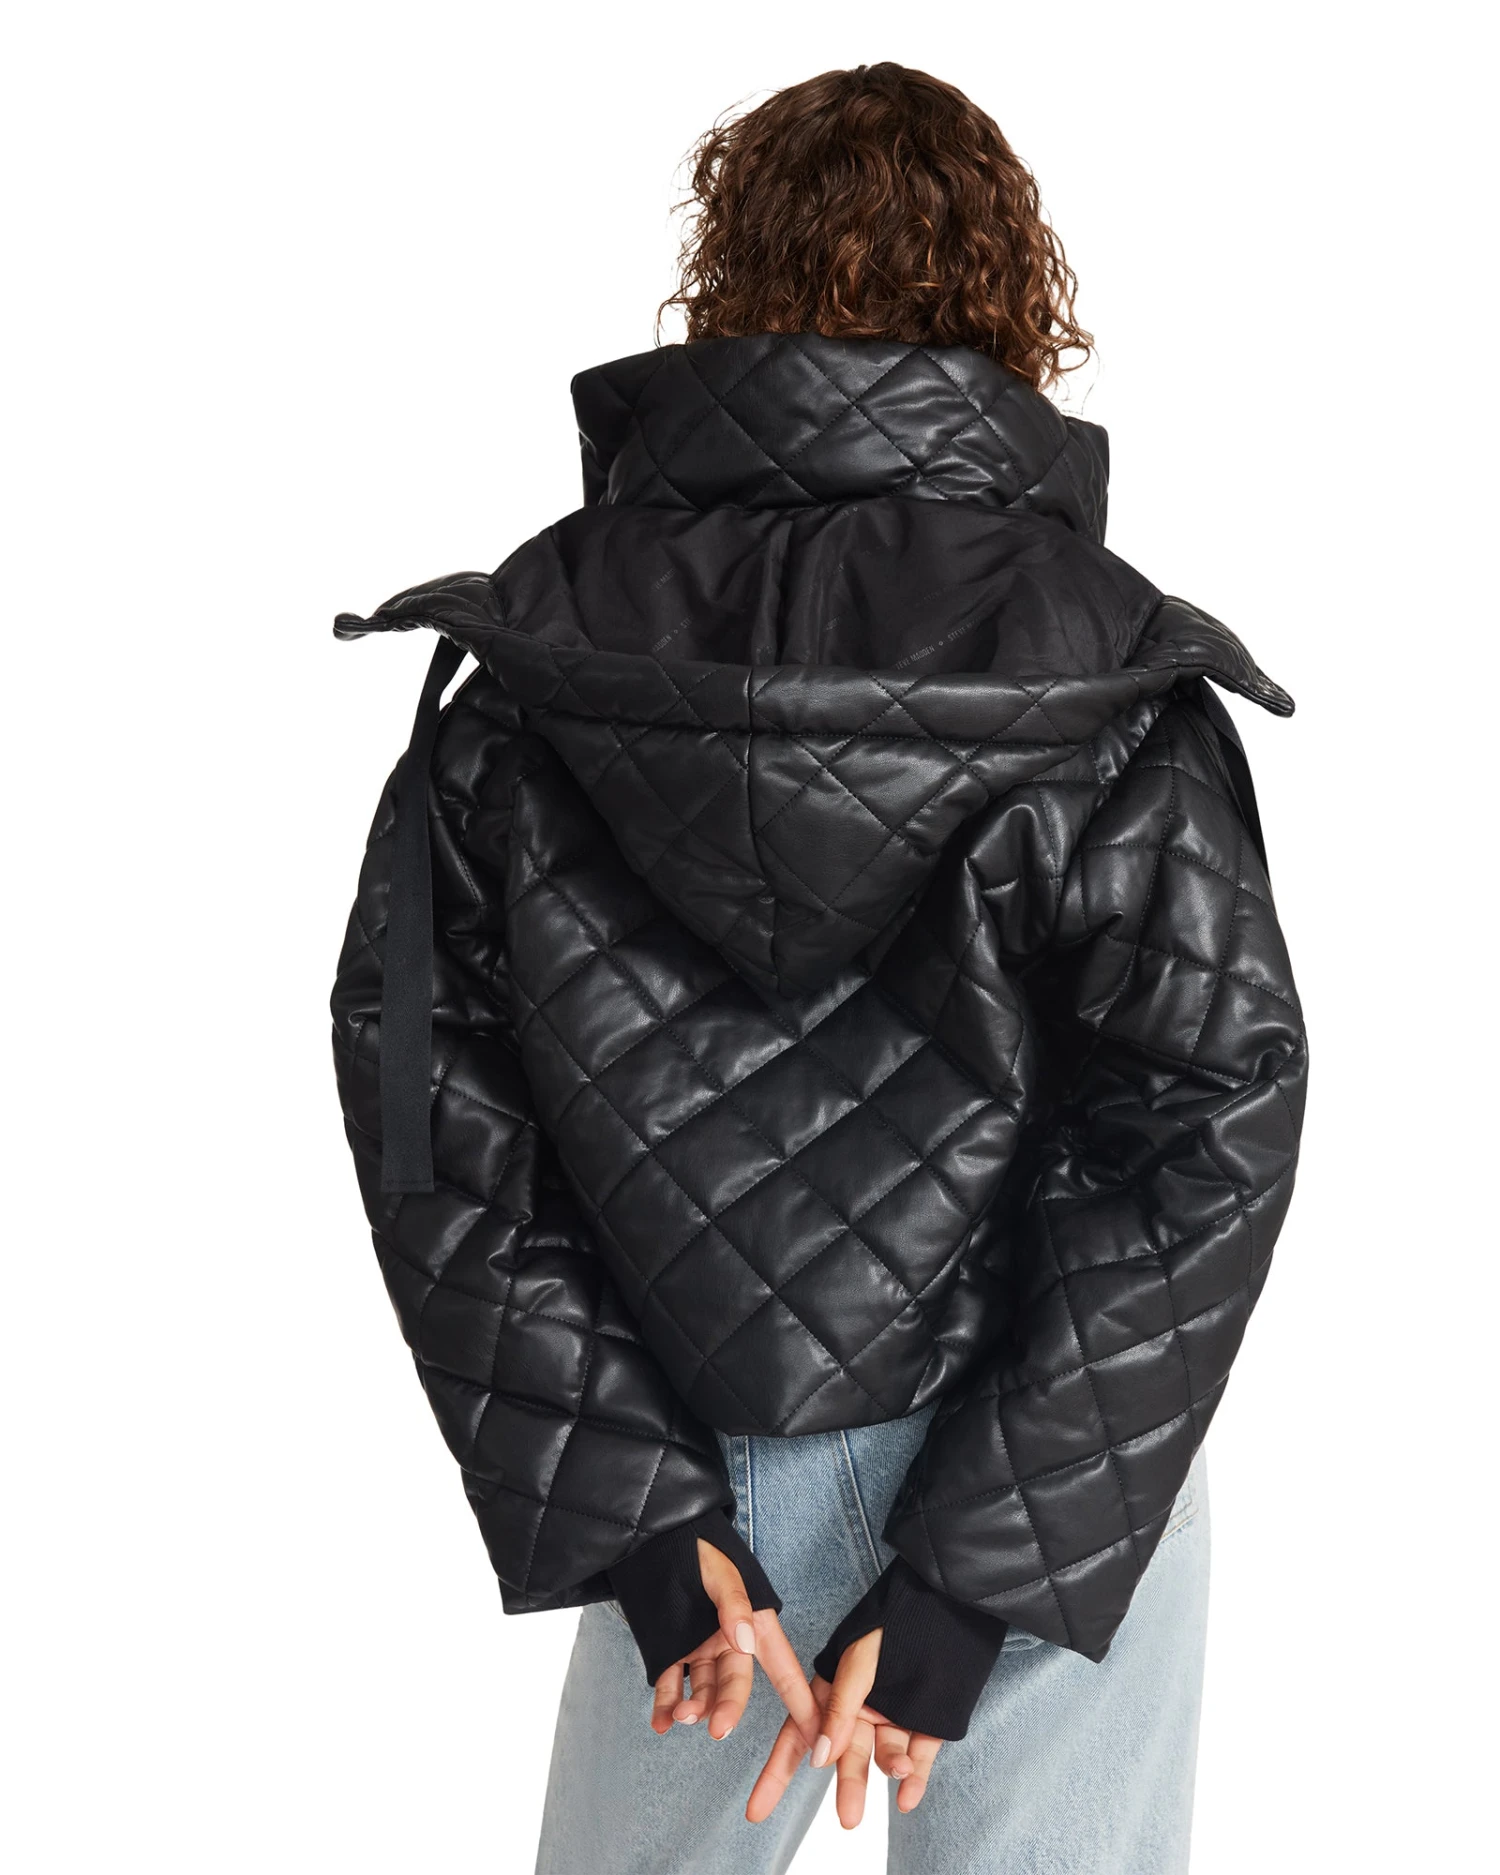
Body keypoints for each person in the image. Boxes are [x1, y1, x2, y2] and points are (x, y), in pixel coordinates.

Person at [330, 63, 1307, 1875]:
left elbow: (432, 1118)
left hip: (684, 1448)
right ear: (1014, 304)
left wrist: (644, 1524)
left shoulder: (533, 657)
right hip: (1050, 1436)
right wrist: (982, 1574)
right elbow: (1206, 1119)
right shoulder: (1106, 671)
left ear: (729, 283)